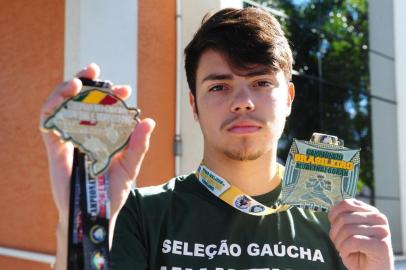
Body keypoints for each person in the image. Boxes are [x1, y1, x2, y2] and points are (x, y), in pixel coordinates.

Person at [40, 7, 394, 270]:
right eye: (219, 86)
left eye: (261, 82)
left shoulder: (341, 226)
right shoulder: (136, 214)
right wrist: (81, 222)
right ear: (194, 105)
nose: (242, 101)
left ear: (288, 98)